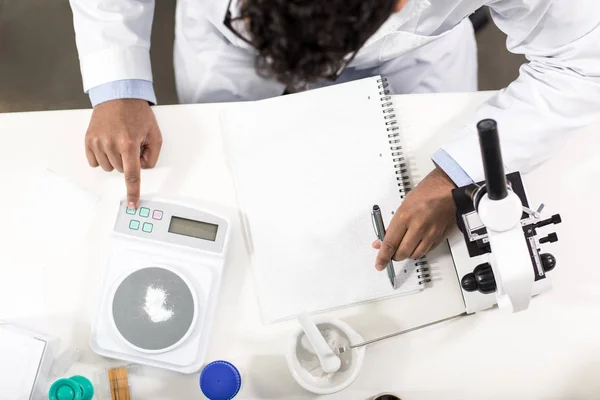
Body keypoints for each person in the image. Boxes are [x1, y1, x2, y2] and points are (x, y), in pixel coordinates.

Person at [69, 0, 600, 273]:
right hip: (227, 42)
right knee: (225, 187)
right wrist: (118, 81)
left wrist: (453, 179)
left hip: (413, 54)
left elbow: (583, 63)